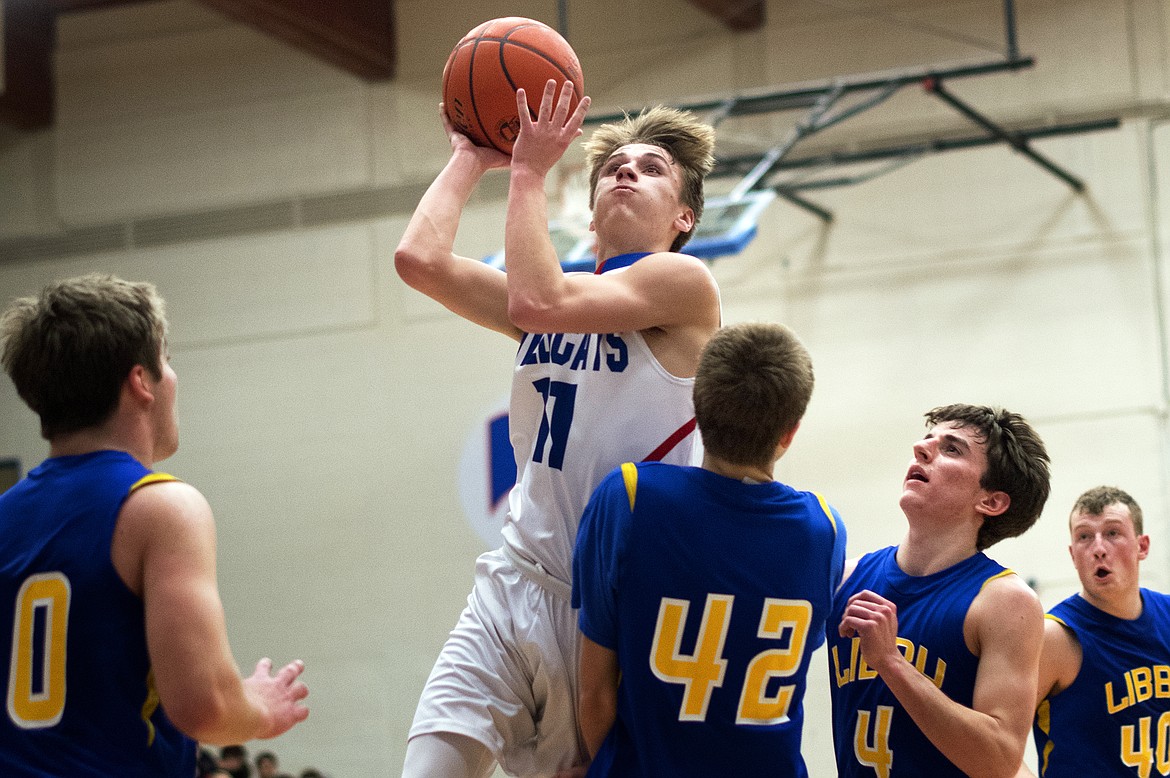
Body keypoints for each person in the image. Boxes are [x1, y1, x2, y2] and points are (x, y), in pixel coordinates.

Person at [394, 79, 720, 778]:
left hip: (605, 611)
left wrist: (529, 171)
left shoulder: (685, 285)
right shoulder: (553, 292)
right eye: (611, 167)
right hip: (511, 581)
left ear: (684, 216)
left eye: (651, 167)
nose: (625, 171)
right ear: (592, 205)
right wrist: (469, 157)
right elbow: (419, 260)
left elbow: (540, 299)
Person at [0, 274, 309, 777]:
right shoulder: (161, 507)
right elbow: (204, 707)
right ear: (140, 381)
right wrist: (257, 710)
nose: (172, 376)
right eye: (166, 360)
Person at [572, 321, 846, 776]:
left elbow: (595, 694)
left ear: (696, 409)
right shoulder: (824, 529)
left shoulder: (631, 495)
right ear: (789, 433)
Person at [827, 404, 1051, 777]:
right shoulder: (846, 577)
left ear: (991, 501)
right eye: (928, 439)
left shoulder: (1005, 602)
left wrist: (891, 663)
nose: (921, 447)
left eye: (952, 448)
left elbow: (999, 761)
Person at [1019, 486, 1170, 777]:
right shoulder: (1055, 637)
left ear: (1142, 546)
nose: (1099, 548)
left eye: (1113, 533)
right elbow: (996, 744)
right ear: (1073, 555)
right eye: (1084, 536)